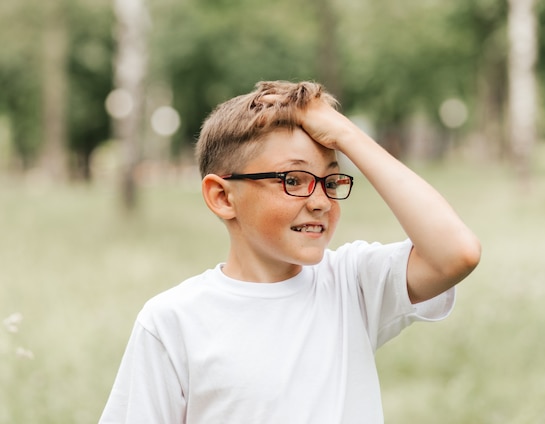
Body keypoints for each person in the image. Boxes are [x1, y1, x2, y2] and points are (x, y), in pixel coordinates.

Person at [99, 80, 481, 423]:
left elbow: (456, 253)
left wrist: (345, 133)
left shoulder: (351, 284)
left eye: (330, 180)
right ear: (222, 196)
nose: (320, 201)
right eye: (293, 179)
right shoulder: (172, 321)